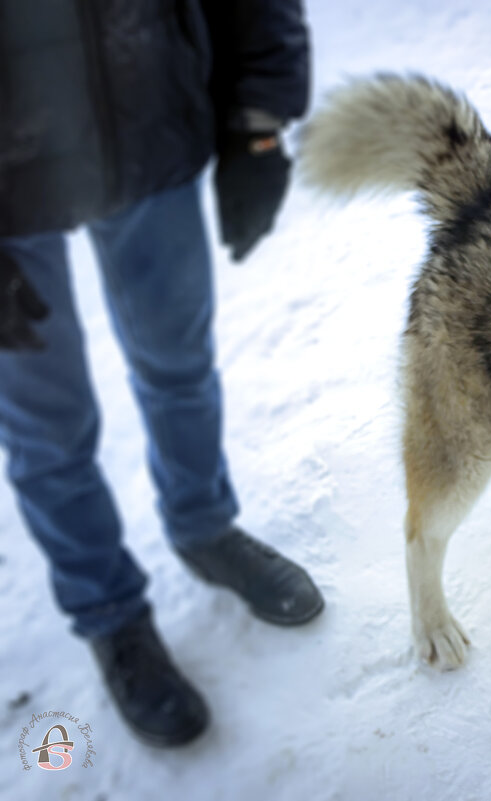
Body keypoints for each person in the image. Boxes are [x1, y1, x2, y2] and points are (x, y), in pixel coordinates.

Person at [0, 0, 324, 746]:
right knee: (47, 430)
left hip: (150, 126)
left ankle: (202, 524)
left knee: (179, 363)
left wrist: (258, 119)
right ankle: (109, 611)